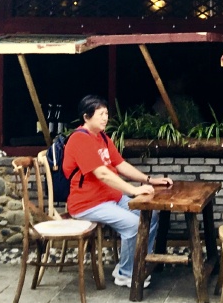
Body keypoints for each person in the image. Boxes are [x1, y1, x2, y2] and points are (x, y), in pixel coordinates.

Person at [63, 95, 170, 288]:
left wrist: (149, 180)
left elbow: (120, 164)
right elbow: (102, 174)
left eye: (106, 113)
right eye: (100, 114)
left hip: (111, 198)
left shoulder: (103, 137)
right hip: (88, 204)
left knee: (151, 214)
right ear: (86, 117)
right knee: (132, 225)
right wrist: (133, 190)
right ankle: (126, 273)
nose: (105, 118)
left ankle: (139, 262)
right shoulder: (79, 139)